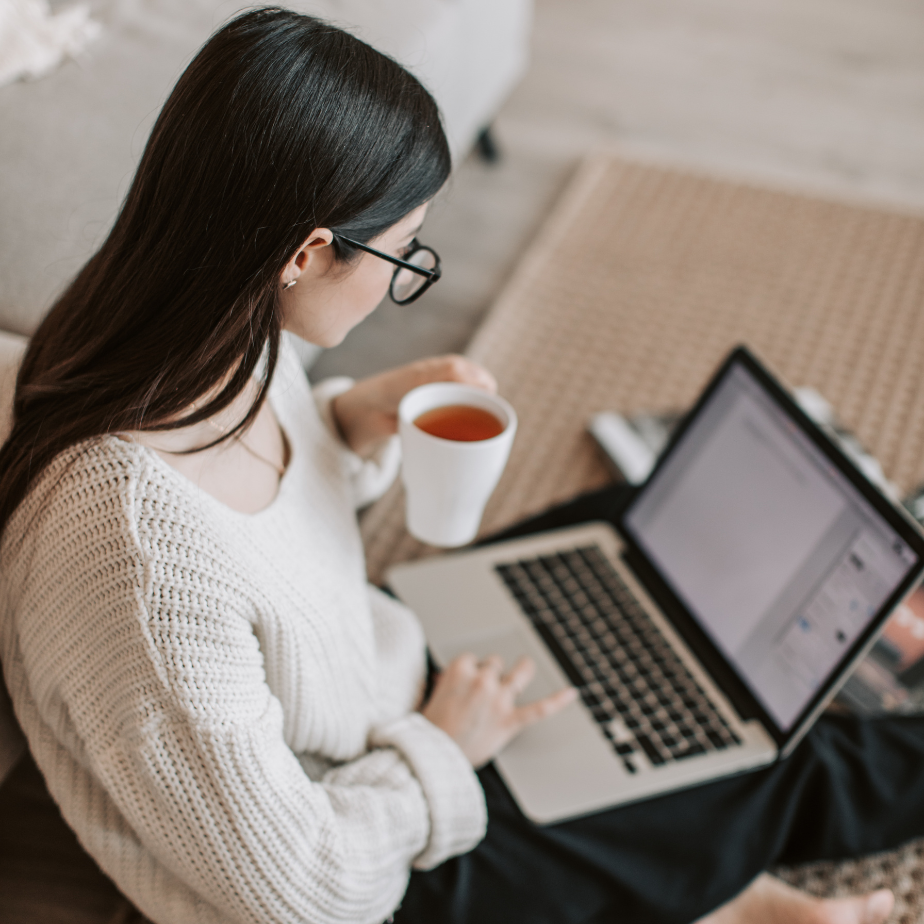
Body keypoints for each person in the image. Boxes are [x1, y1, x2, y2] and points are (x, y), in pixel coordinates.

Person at [0, 8, 912, 924]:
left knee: (622, 535)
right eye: (403, 255)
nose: (404, 278)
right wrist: (443, 747)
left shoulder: (188, 324)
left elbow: (250, 514)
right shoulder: (140, 570)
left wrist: (347, 426)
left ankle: (708, 889)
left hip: (380, 684)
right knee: (774, 761)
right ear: (308, 253)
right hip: (378, 853)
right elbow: (303, 892)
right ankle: (734, 898)